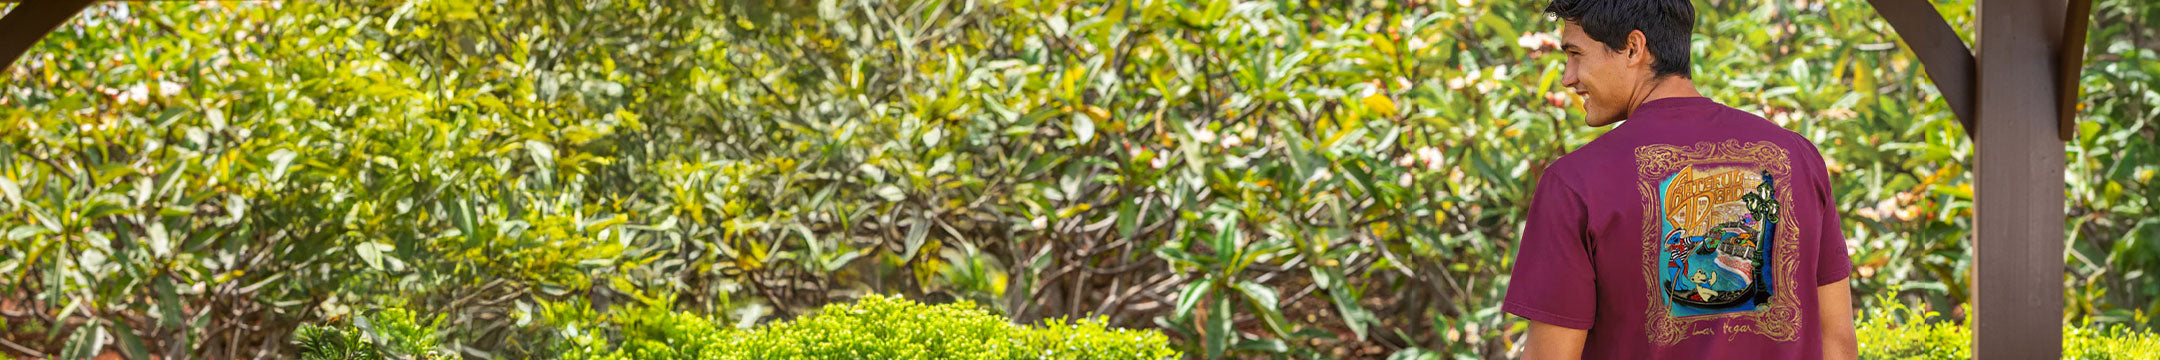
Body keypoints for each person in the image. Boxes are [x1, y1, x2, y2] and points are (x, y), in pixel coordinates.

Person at [1500, 0, 1858, 358]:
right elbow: (1839, 344)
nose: (1568, 77)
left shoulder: (1574, 184)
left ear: (1633, 48)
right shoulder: (1797, 158)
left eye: (1576, 54)